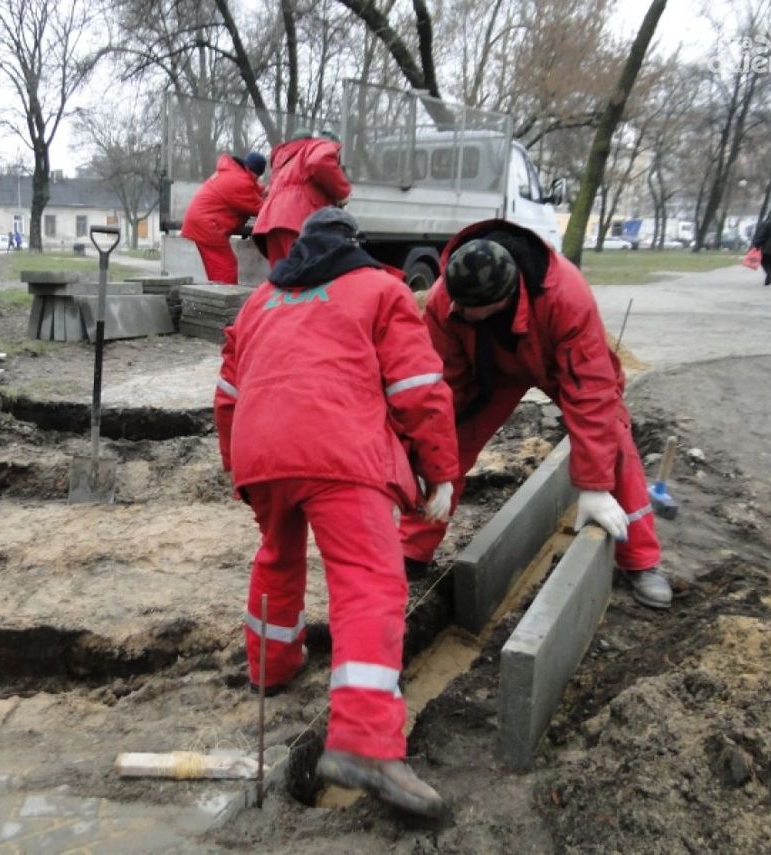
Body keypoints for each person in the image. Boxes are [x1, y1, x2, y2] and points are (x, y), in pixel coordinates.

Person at [214, 206, 459, 818]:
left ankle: (270, 668)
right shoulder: (381, 288)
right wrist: (441, 468)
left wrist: (240, 463)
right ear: (356, 245)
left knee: (276, 556)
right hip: (340, 450)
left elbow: (228, 395)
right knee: (370, 581)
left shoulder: (258, 304)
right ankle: (366, 743)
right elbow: (417, 387)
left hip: (261, 449)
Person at [400, 220, 673, 610]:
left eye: (469, 309)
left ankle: (642, 561)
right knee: (451, 440)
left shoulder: (565, 296)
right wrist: (434, 458)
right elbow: (443, 388)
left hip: (556, 364)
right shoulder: (449, 298)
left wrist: (593, 486)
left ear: (504, 297)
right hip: (490, 369)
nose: (456, 310)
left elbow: (590, 392)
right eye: (456, 304)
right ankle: (412, 547)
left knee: (613, 438)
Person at [252, 130, 351, 267]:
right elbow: (320, 161)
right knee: (305, 276)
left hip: (270, 221)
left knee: (281, 278)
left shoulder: (287, 159)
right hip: (297, 220)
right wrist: (343, 192)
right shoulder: (320, 146)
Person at [181, 152, 267, 285]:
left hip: (202, 222)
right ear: (254, 172)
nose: (257, 181)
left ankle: (216, 296)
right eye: (257, 177)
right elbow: (262, 209)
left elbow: (251, 186)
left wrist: (265, 190)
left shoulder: (234, 172)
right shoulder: (240, 182)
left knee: (217, 269)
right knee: (225, 267)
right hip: (208, 226)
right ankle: (225, 301)